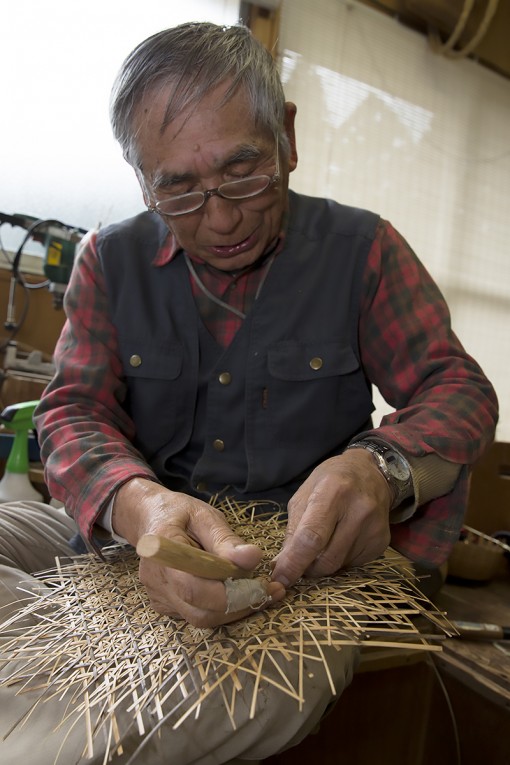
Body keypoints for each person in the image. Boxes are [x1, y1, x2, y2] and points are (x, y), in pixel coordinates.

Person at [0, 20, 498, 765]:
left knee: (85, 740)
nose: (224, 216)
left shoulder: (364, 252)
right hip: (123, 552)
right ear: (142, 179)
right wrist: (142, 508)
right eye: (180, 189)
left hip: (299, 586)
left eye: (244, 171)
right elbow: (74, 410)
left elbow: (458, 389)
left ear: (287, 138)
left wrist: (380, 467)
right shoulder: (110, 259)